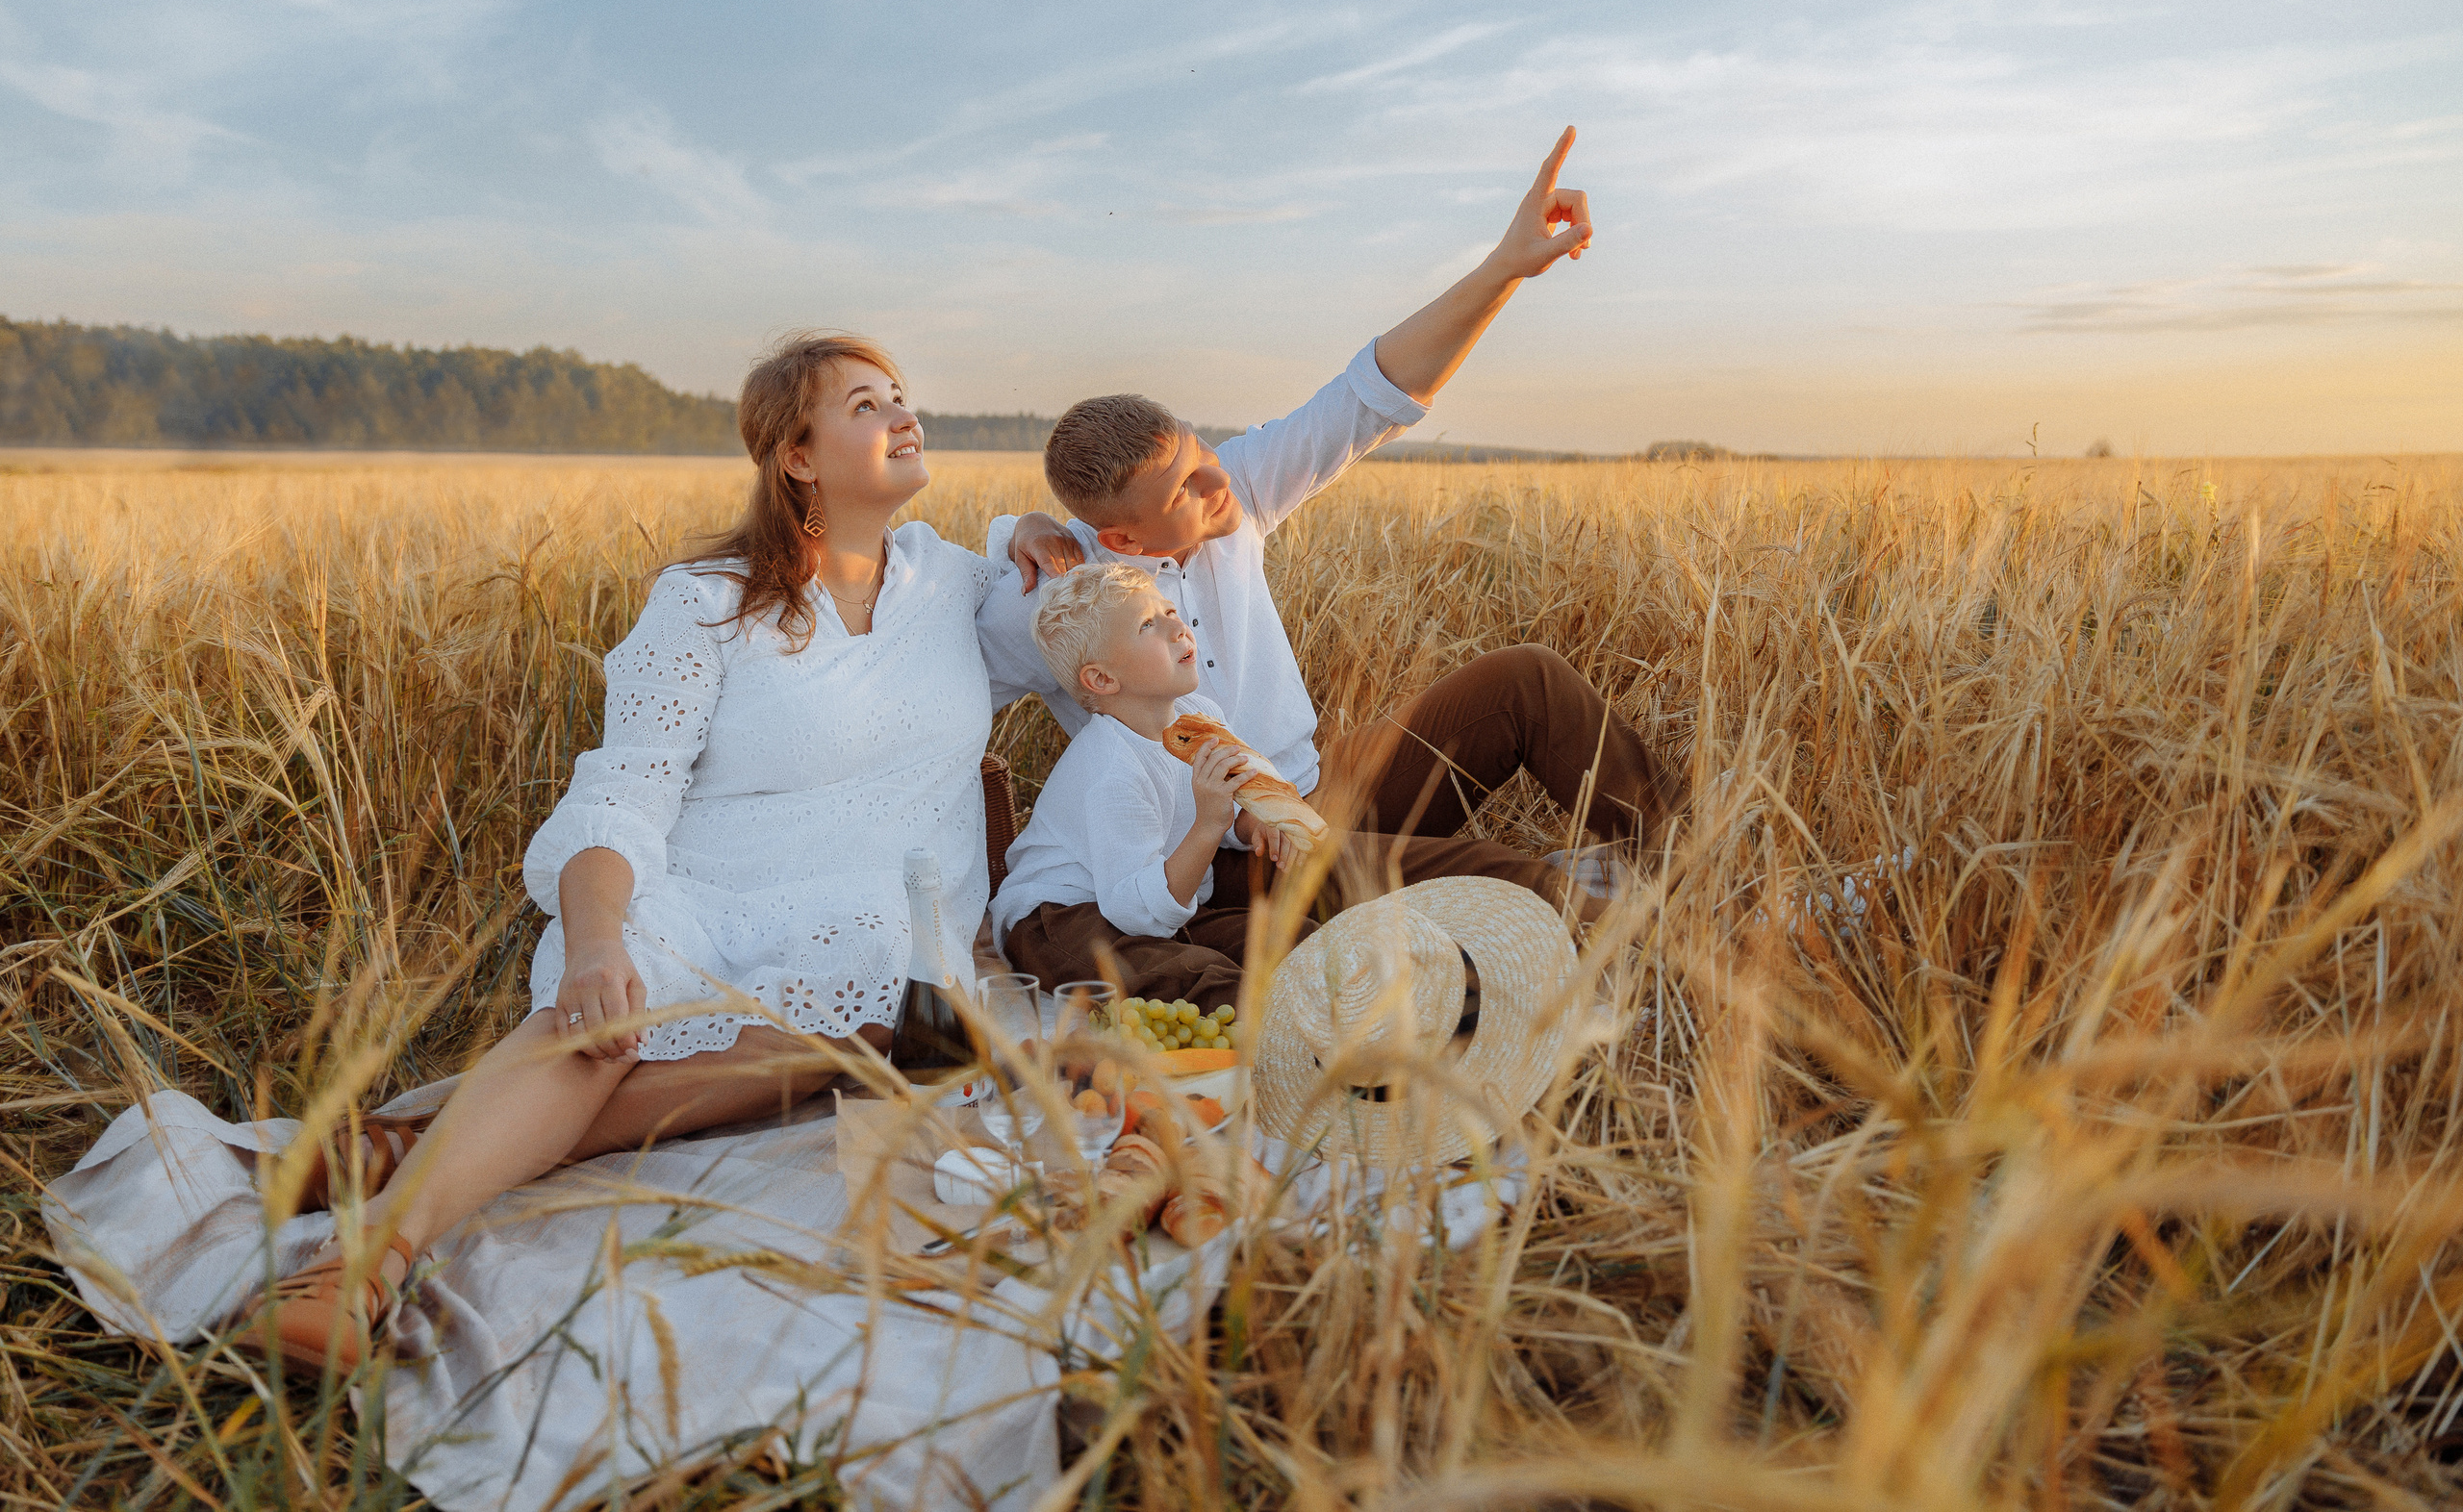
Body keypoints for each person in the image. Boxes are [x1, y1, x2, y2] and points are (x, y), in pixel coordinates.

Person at [236, 330, 1071, 1373]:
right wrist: (596, 943)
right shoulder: (706, 600)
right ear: (796, 455)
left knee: (873, 1008)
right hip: (707, 891)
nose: (905, 415)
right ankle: (359, 1267)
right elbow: (622, 791)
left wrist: (1036, 525)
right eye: (865, 405)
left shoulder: (957, 583)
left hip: (882, 921)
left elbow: (1115, 604)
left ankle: (417, 1147)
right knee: (606, 1020)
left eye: (901, 395)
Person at [978, 128, 1684, 912]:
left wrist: (1505, 266)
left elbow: (1369, 395)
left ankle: (1697, 878)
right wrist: (1008, 534)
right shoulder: (1062, 593)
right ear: (1121, 540)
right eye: (1185, 490)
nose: (1217, 480)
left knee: (1530, 681)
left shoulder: (1234, 488)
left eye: (1201, 449)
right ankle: (1590, 917)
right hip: (1238, 860)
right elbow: (920, 658)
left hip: (1326, 790)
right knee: (1503, 883)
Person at [988, 563, 1299, 1008]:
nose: (1178, 627)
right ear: (1102, 679)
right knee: (1208, 985)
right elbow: (1135, 911)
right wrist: (1209, 824)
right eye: (1147, 625)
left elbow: (1233, 801)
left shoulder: (1199, 717)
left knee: (1297, 942)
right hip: (1062, 918)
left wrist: (1255, 824)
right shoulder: (1112, 769)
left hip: (1157, 895)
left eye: (1169, 611)